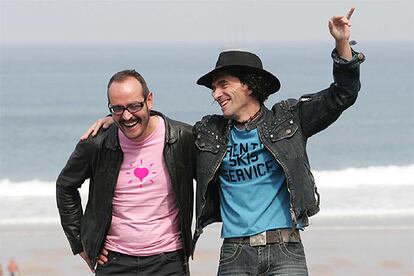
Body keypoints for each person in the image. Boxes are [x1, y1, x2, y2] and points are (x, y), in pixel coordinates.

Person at [84, 7, 365, 276]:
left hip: (286, 250)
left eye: (223, 85)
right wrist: (123, 117)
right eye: (214, 88)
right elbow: (166, 134)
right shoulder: (209, 133)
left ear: (249, 85)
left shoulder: (289, 120)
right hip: (234, 252)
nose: (216, 94)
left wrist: (342, 45)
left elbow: (343, 94)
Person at [56, 69, 195, 275]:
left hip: (169, 261)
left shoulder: (182, 137)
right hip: (113, 262)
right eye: (118, 109)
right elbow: (65, 186)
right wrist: (80, 244)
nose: (127, 116)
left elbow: (216, 175)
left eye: (134, 106)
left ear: (149, 100)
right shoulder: (97, 142)